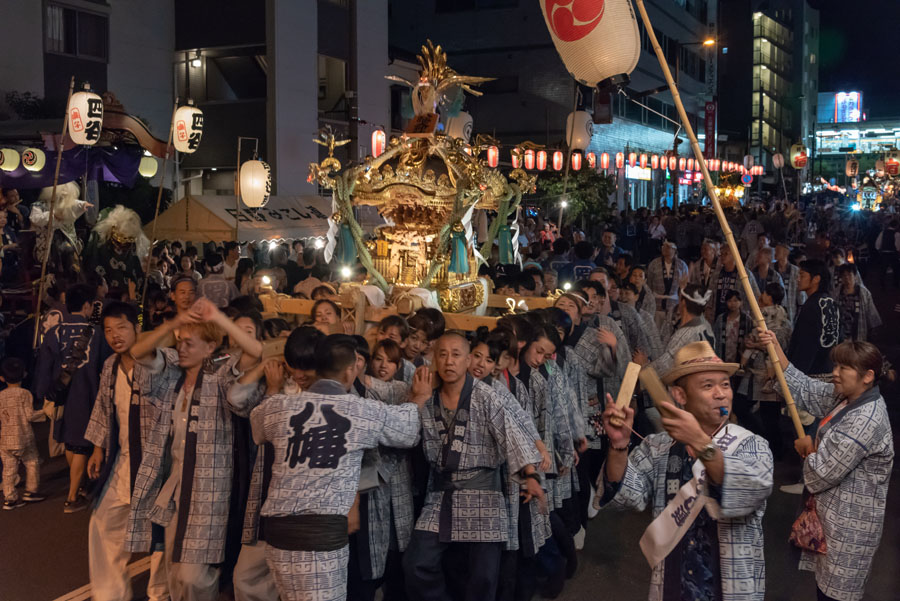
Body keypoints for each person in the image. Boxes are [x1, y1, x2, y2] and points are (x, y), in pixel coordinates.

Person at [250, 334, 426, 601]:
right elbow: (409, 430)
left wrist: (273, 389)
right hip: (321, 533)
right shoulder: (358, 410)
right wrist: (420, 398)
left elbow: (257, 426)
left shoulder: (279, 407)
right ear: (349, 371)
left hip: (278, 532)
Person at [596, 340, 774, 601]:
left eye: (725, 384)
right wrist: (619, 445)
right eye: (707, 386)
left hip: (729, 586)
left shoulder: (750, 444)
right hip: (674, 582)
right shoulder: (659, 447)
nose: (721, 394)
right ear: (680, 396)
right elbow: (626, 498)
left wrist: (701, 443)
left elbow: (752, 492)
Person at [129, 298, 264, 601]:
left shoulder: (221, 375)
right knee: (175, 569)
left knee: (194, 575)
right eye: (180, 343)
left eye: (191, 343)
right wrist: (177, 322)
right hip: (175, 482)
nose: (182, 348)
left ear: (210, 348)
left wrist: (217, 316)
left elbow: (255, 351)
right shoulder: (171, 373)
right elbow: (138, 351)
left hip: (210, 489)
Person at [403, 332, 544, 601]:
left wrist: (530, 474)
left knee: (484, 577)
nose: (449, 361)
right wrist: (416, 398)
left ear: (467, 360)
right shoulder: (427, 395)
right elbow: (404, 432)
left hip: (484, 495)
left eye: (456, 355)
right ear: (434, 358)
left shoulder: (486, 396)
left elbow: (511, 433)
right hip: (442, 493)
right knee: (416, 564)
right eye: (442, 354)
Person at [759, 331, 894, 601]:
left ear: (867, 376)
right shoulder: (848, 397)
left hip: (850, 530)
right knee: (826, 591)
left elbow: (820, 474)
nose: (835, 372)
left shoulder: (866, 418)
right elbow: (807, 390)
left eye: (843, 367)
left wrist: (806, 450)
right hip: (834, 523)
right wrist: (777, 351)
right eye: (835, 365)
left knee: (837, 595)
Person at [83, 301, 168, 601]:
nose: (114, 335)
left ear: (137, 328)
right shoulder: (109, 365)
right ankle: (110, 593)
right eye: (108, 330)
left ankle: (160, 593)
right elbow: (103, 408)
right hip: (123, 458)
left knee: (160, 533)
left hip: (158, 464)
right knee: (103, 522)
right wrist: (97, 448)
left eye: (121, 327)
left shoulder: (160, 361)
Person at [34, 283, 108, 513]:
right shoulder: (96, 332)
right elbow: (105, 363)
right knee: (82, 444)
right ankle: (73, 497)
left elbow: (44, 363)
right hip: (87, 391)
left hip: (62, 391)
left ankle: (79, 484)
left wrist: (43, 392)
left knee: (68, 439)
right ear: (87, 305)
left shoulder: (55, 330)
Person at [0, 357, 46, 510]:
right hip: (24, 437)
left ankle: (10, 498)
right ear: (24, 374)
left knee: (8, 469)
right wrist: (45, 412)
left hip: (5, 439)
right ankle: (31, 491)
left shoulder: (1, 396)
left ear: (1, 378)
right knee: (32, 461)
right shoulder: (25, 394)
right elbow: (29, 415)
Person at [788, 260, 839, 376]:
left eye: (802, 275)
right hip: (830, 369)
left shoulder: (812, 305)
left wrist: (795, 375)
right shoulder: (832, 303)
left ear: (816, 279)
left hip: (811, 374)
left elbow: (805, 345)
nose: (798, 279)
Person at [646, 241, 690, 334]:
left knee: (671, 332)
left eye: (668, 247)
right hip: (657, 303)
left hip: (674, 303)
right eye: (663, 247)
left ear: (674, 249)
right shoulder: (654, 264)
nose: (664, 249)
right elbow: (649, 283)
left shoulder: (682, 265)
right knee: (655, 331)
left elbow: (685, 285)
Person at [835, 264, 881, 342]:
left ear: (855, 276)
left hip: (858, 329)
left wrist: (872, 330)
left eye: (849, 275)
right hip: (842, 331)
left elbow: (871, 312)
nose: (847, 278)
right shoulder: (837, 292)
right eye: (844, 275)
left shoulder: (863, 292)